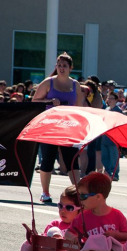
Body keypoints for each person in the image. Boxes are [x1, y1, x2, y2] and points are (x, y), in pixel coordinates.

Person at [32, 52, 83, 203]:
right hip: (50, 126)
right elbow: (34, 101)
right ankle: (45, 192)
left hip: (69, 126)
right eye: (59, 65)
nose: (61, 68)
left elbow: (79, 107)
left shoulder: (75, 85)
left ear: (70, 68)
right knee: (48, 158)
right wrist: (49, 100)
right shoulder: (48, 83)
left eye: (65, 66)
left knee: (72, 159)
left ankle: (78, 193)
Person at [65, 172, 127, 242]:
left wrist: (115, 235)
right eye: (79, 195)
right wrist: (74, 238)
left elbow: (126, 235)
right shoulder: (82, 217)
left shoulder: (117, 215)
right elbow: (68, 233)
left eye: (83, 196)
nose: (80, 199)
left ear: (98, 197)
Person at [101, 91, 123, 181]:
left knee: (114, 156)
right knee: (105, 157)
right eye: (108, 98)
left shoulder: (118, 110)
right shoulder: (106, 109)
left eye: (111, 98)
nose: (109, 100)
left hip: (114, 138)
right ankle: (107, 173)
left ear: (116, 100)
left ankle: (115, 174)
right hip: (105, 136)